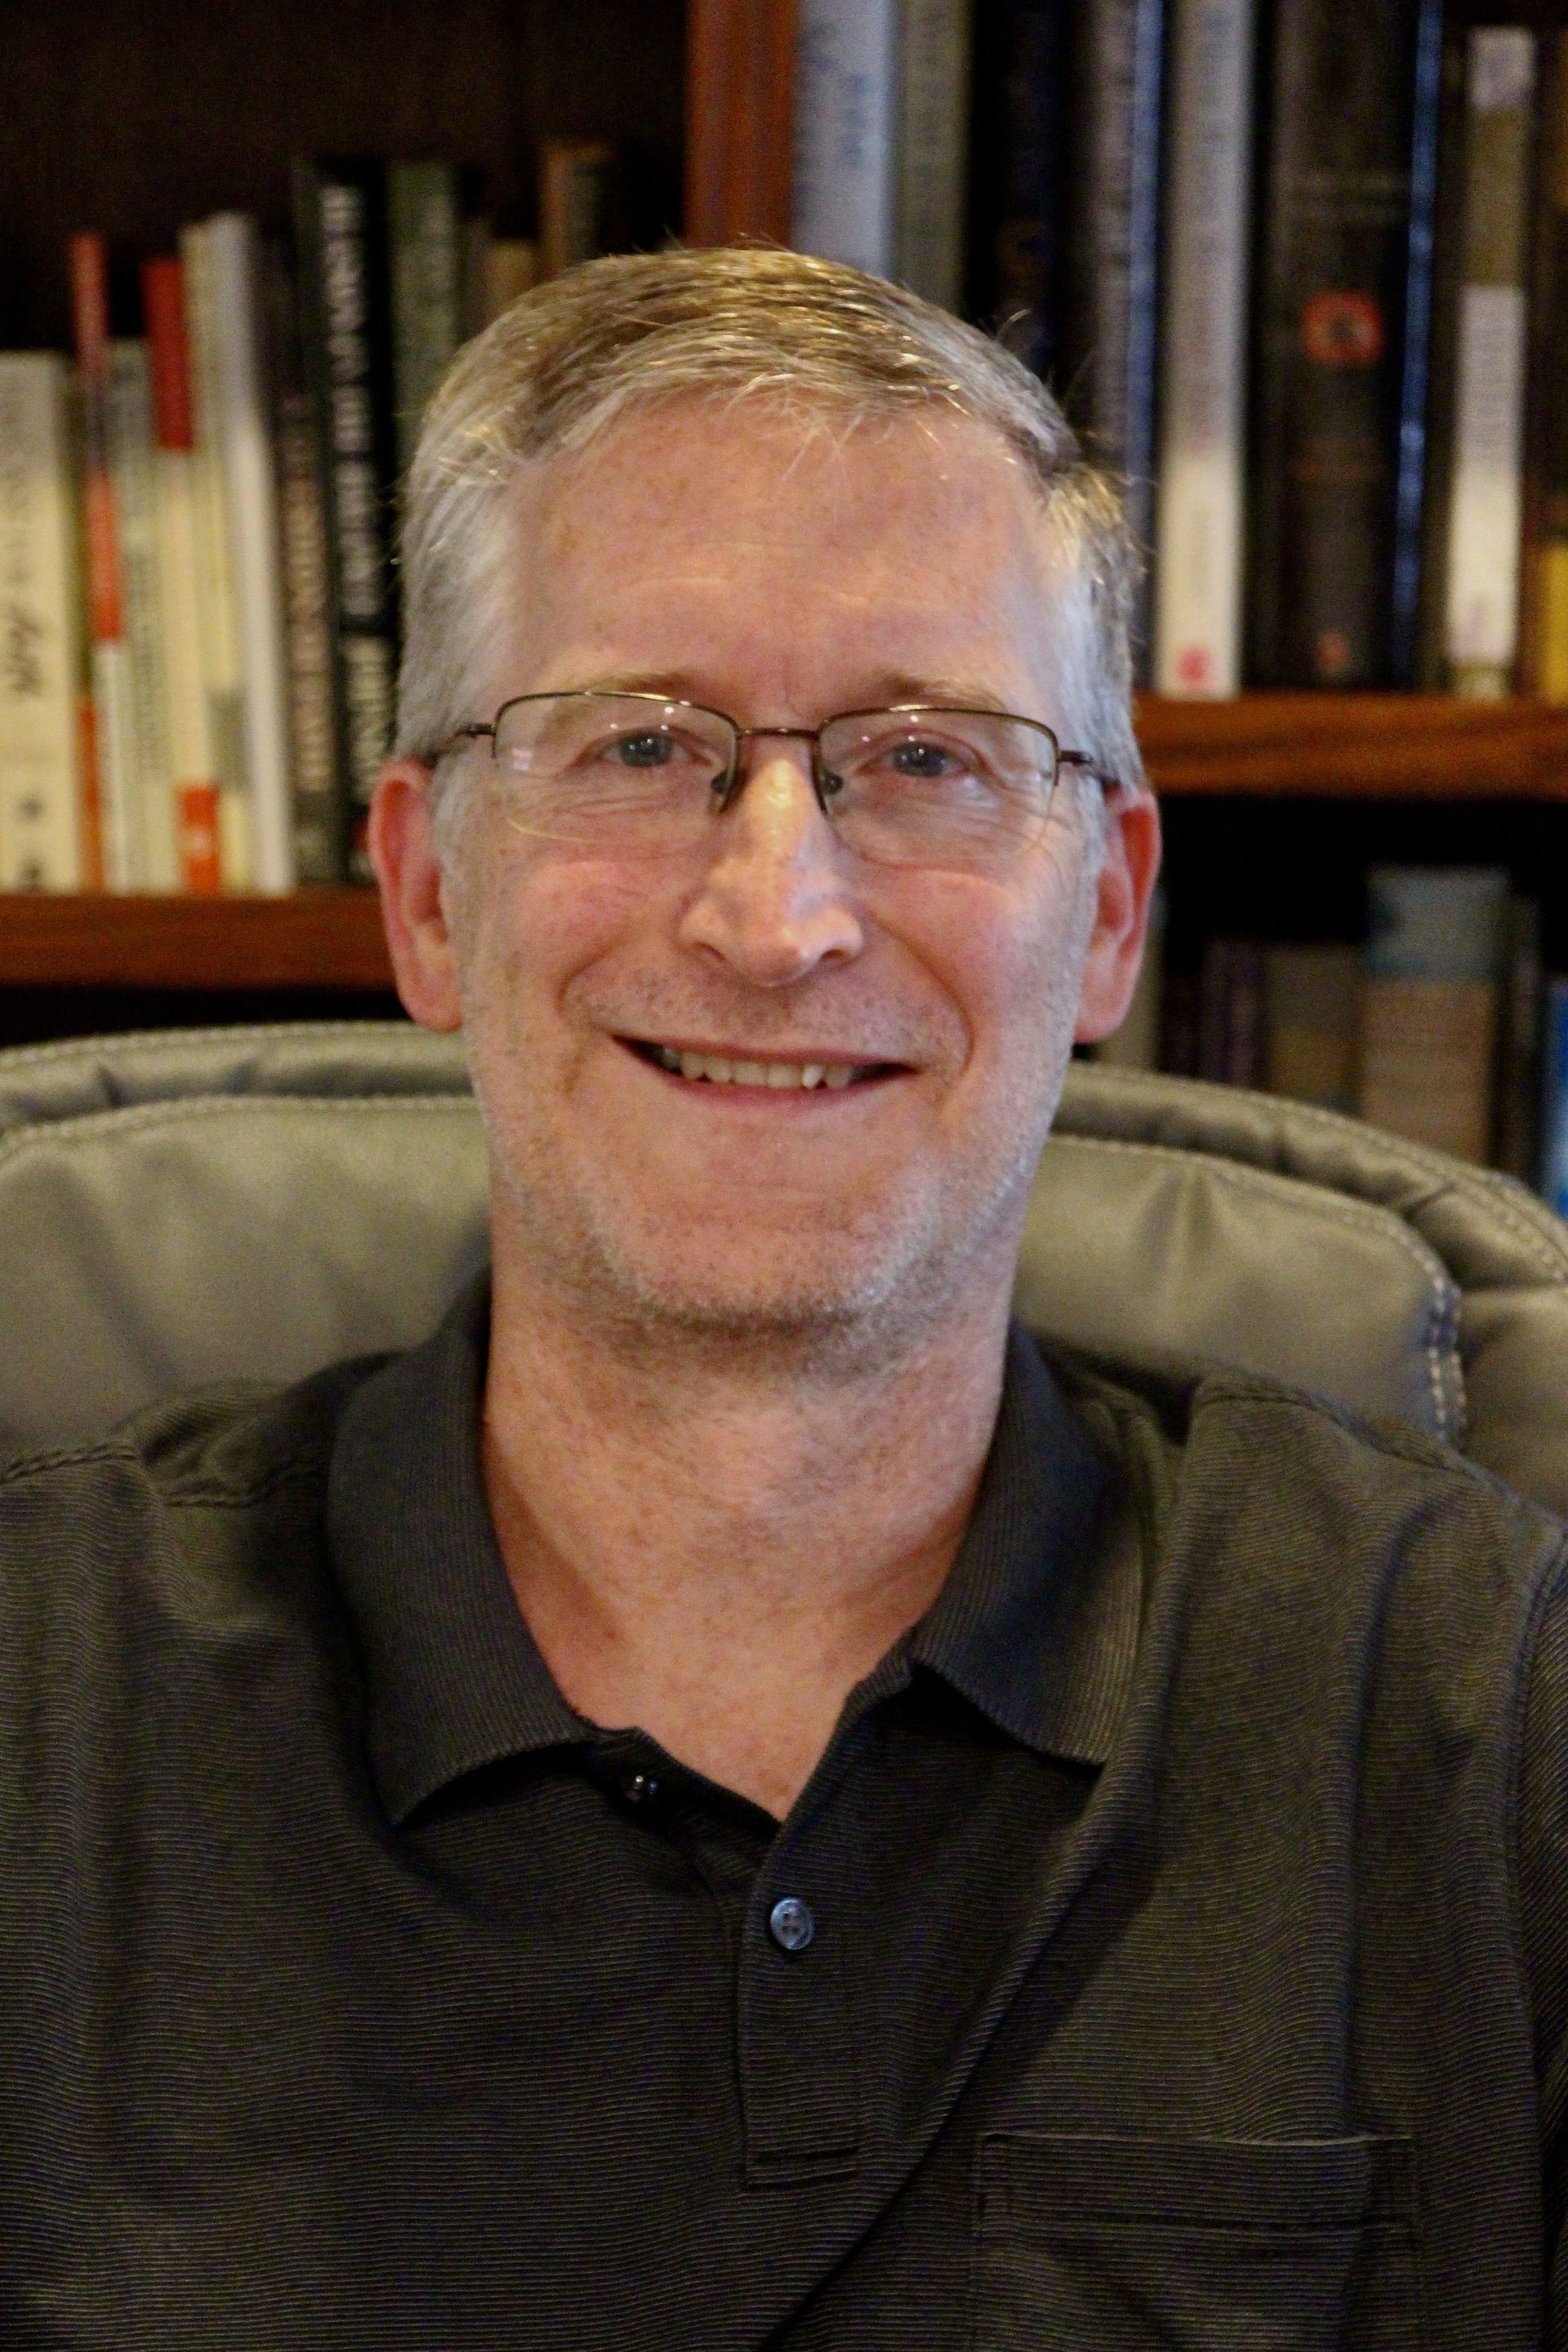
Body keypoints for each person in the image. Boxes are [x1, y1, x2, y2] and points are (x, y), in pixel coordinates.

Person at [1, 247, 1566, 2349]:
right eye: (640, 742)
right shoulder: (37, 1705)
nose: (776, 913)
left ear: (1103, 916)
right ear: (424, 891)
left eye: (926, 759)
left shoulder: (1485, 1715)